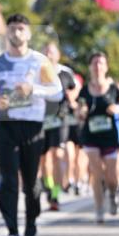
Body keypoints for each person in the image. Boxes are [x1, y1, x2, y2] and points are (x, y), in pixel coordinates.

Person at [0, 13, 63, 236]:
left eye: (21, 29)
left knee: (30, 181)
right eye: (12, 29)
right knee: (8, 179)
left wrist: (33, 89)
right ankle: (12, 231)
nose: (16, 33)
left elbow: (56, 92)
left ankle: (32, 217)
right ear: (6, 32)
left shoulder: (38, 62)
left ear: (28, 33)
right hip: (5, 125)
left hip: (32, 126)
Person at [76, 51, 119, 223]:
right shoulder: (84, 90)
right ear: (90, 67)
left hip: (109, 136)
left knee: (111, 176)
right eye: (95, 63)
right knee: (96, 172)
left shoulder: (113, 89)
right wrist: (80, 112)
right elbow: (79, 109)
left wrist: (117, 109)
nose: (98, 66)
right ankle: (99, 208)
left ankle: (112, 194)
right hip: (90, 135)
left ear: (106, 67)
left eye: (101, 63)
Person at [39, 41, 78, 211]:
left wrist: (72, 97)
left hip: (60, 118)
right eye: (45, 52)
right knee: (43, 158)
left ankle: (55, 193)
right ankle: (47, 186)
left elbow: (75, 88)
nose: (48, 54)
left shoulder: (65, 72)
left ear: (58, 55)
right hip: (41, 118)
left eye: (51, 52)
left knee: (57, 154)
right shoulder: (37, 72)